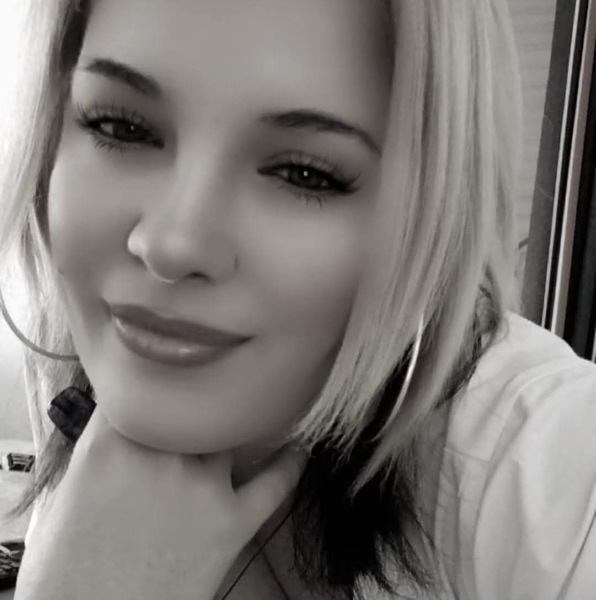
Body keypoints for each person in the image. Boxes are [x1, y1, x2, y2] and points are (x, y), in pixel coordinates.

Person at [0, 0, 595, 598]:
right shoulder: (91, 394)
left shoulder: (552, 462)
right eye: (120, 127)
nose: (170, 246)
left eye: (304, 173)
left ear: (432, 217)